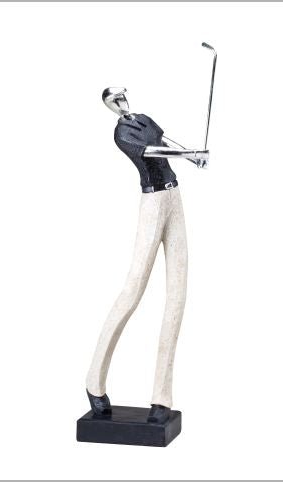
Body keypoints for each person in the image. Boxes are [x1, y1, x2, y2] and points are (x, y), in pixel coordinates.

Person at [85, 87, 209, 423]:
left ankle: (161, 397)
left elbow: (164, 139)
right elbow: (153, 151)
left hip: (173, 195)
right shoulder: (121, 133)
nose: (122, 102)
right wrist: (189, 153)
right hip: (153, 202)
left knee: (177, 295)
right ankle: (94, 381)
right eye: (115, 100)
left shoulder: (144, 119)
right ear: (109, 106)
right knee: (134, 289)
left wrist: (192, 156)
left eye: (123, 95)